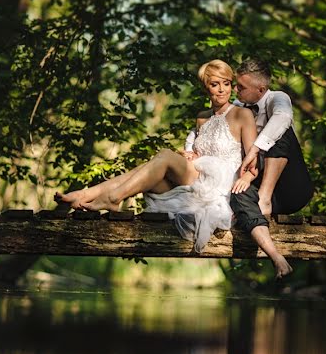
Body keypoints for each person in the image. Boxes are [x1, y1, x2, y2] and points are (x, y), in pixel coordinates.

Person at [55, 60, 293, 277]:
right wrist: (190, 153)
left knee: (165, 157)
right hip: (197, 178)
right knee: (147, 169)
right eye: (214, 84)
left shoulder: (243, 114)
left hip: (220, 184)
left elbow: (253, 162)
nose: (222, 90)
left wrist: (247, 179)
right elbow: (200, 152)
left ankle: (111, 197)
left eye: (227, 84)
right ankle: (87, 194)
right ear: (206, 88)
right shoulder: (201, 117)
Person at [190, 59, 312, 276]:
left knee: (282, 132)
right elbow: (207, 126)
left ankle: (263, 197)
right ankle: (277, 259)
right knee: (238, 193)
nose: (234, 90)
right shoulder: (238, 108)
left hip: (290, 187)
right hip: (259, 182)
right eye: (234, 85)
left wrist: (255, 149)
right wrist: (190, 148)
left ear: (261, 89)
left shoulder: (278, 98)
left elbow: (283, 118)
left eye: (241, 87)